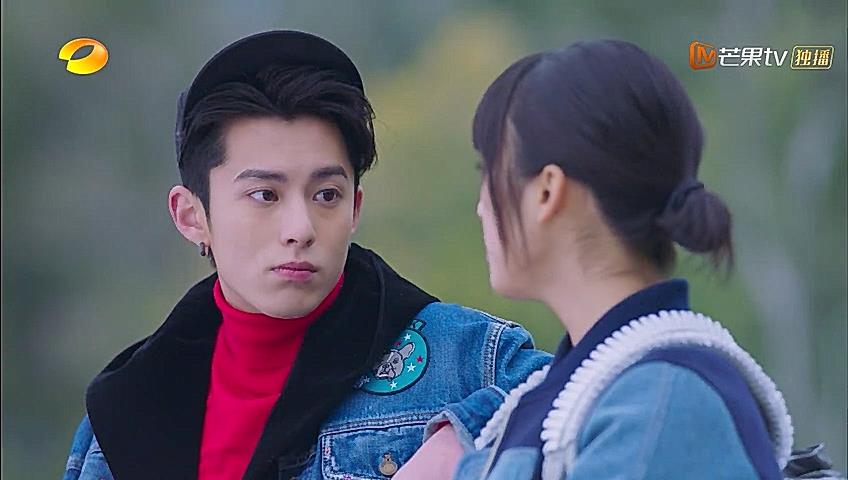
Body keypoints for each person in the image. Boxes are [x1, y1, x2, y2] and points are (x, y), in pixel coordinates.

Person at [60, 30, 551, 480]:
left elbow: (587, 393)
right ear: (191, 216)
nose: (300, 229)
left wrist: (464, 438)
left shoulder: (470, 362)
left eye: (326, 195)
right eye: (265, 195)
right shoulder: (122, 415)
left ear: (355, 207)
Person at [402, 39, 842, 479]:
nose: (482, 206)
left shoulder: (664, 401)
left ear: (547, 191)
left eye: (489, 173)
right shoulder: (591, 391)